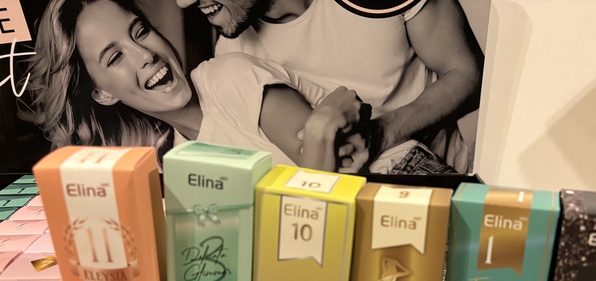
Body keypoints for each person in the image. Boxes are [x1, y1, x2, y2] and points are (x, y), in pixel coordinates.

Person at [21, 0, 368, 172]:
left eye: (140, 32)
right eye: (115, 57)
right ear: (102, 93)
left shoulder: (230, 77)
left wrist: (320, 132)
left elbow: (327, 198)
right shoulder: (172, 160)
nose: (145, 54)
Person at [176, 0, 484, 173]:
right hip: (360, 214)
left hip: (452, 184)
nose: (182, 2)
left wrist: (382, 132)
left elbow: (469, 74)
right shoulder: (233, 56)